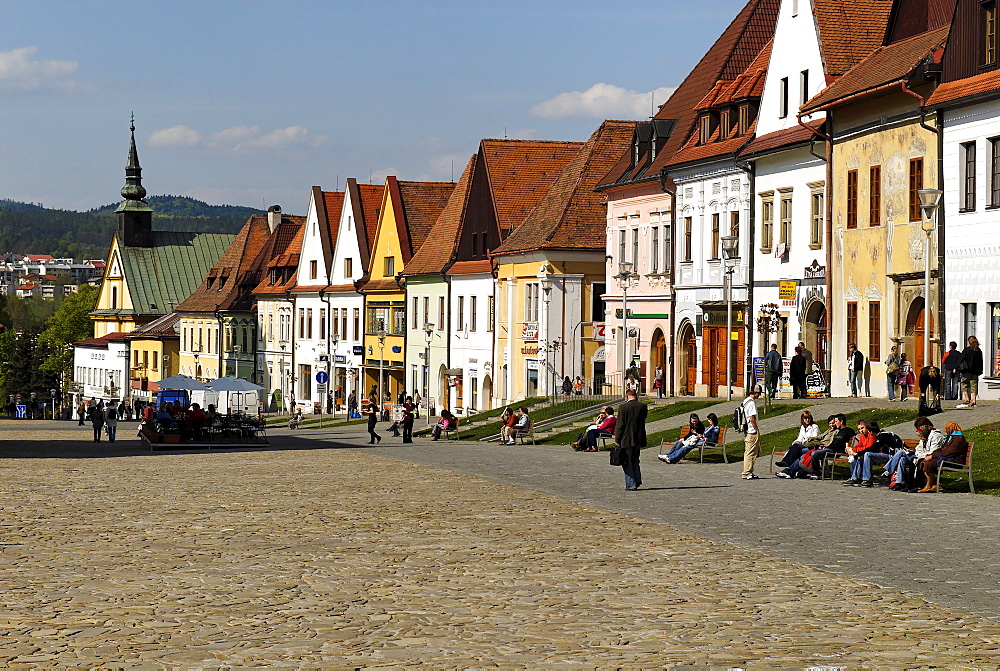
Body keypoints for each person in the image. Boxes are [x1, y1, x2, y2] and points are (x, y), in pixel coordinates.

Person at [887, 417, 944, 491]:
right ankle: (901, 483)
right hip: (921, 455)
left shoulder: (936, 436)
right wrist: (919, 453)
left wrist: (920, 455)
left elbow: (933, 451)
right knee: (902, 459)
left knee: (905, 455)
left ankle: (889, 471)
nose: (919, 432)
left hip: (931, 457)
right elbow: (918, 449)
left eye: (920, 429)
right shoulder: (924, 436)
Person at [918, 421, 970, 492]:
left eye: (947, 429)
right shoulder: (950, 438)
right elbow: (942, 449)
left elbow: (949, 452)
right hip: (948, 458)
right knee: (925, 461)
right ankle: (932, 484)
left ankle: (929, 485)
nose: (945, 430)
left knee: (929, 463)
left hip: (955, 461)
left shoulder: (958, 439)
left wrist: (933, 456)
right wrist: (932, 454)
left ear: (951, 429)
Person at [614, 388, 647, 491]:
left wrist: (617, 438)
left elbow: (620, 425)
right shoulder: (642, 406)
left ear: (627, 396)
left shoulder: (623, 407)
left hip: (626, 438)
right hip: (638, 437)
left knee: (627, 461)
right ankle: (637, 479)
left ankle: (631, 483)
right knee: (635, 460)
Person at [843, 419, 880, 485]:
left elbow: (869, 447)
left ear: (867, 427)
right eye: (859, 429)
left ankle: (856, 478)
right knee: (854, 457)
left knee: (859, 456)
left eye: (862, 428)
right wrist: (852, 449)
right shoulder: (862, 436)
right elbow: (860, 445)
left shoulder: (871, 435)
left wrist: (856, 451)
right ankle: (855, 477)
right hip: (863, 453)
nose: (861, 431)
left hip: (872, 454)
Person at [740, 385, 763, 480]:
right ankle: (747, 472)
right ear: (756, 393)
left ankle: (749, 471)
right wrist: (756, 428)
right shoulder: (751, 403)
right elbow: (752, 418)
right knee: (750, 453)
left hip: (747, 430)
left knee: (749, 452)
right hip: (751, 431)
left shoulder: (746, 401)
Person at [957, 335, 984, 408]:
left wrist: (957, 367)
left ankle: (967, 398)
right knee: (974, 385)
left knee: (964, 383)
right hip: (975, 371)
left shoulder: (967, 350)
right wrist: (980, 371)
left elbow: (961, 359)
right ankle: (974, 400)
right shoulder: (978, 351)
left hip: (966, 371)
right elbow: (981, 362)